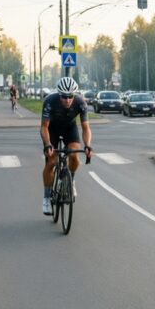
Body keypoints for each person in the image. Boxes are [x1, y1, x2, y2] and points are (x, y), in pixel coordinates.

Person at [40, 76, 92, 215]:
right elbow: (44, 127)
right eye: (64, 97)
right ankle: (46, 197)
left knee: (74, 156)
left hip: (70, 129)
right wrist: (48, 144)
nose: (67, 100)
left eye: (70, 96)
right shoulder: (50, 101)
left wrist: (87, 145)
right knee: (51, 162)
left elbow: (85, 128)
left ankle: (71, 181)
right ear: (59, 94)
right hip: (53, 130)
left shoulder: (81, 103)